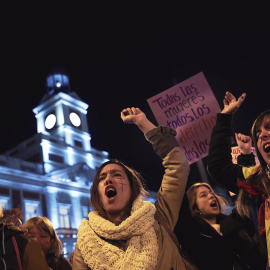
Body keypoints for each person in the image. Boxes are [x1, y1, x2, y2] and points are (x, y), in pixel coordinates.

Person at [72, 107, 190, 270]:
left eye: (117, 175)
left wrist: (143, 123)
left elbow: (178, 164)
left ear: (132, 187)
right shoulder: (85, 241)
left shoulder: (158, 217)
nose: (108, 180)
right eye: (102, 177)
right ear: (96, 194)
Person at [207, 91, 270, 267]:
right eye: (258, 133)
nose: (262, 135)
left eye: (268, 127)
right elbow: (218, 165)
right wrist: (225, 117)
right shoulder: (257, 178)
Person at [180, 182, 266, 270]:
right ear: (195, 208)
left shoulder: (234, 223)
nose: (211, 196)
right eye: (203, 195)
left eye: (212, 193)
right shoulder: (195, 236)